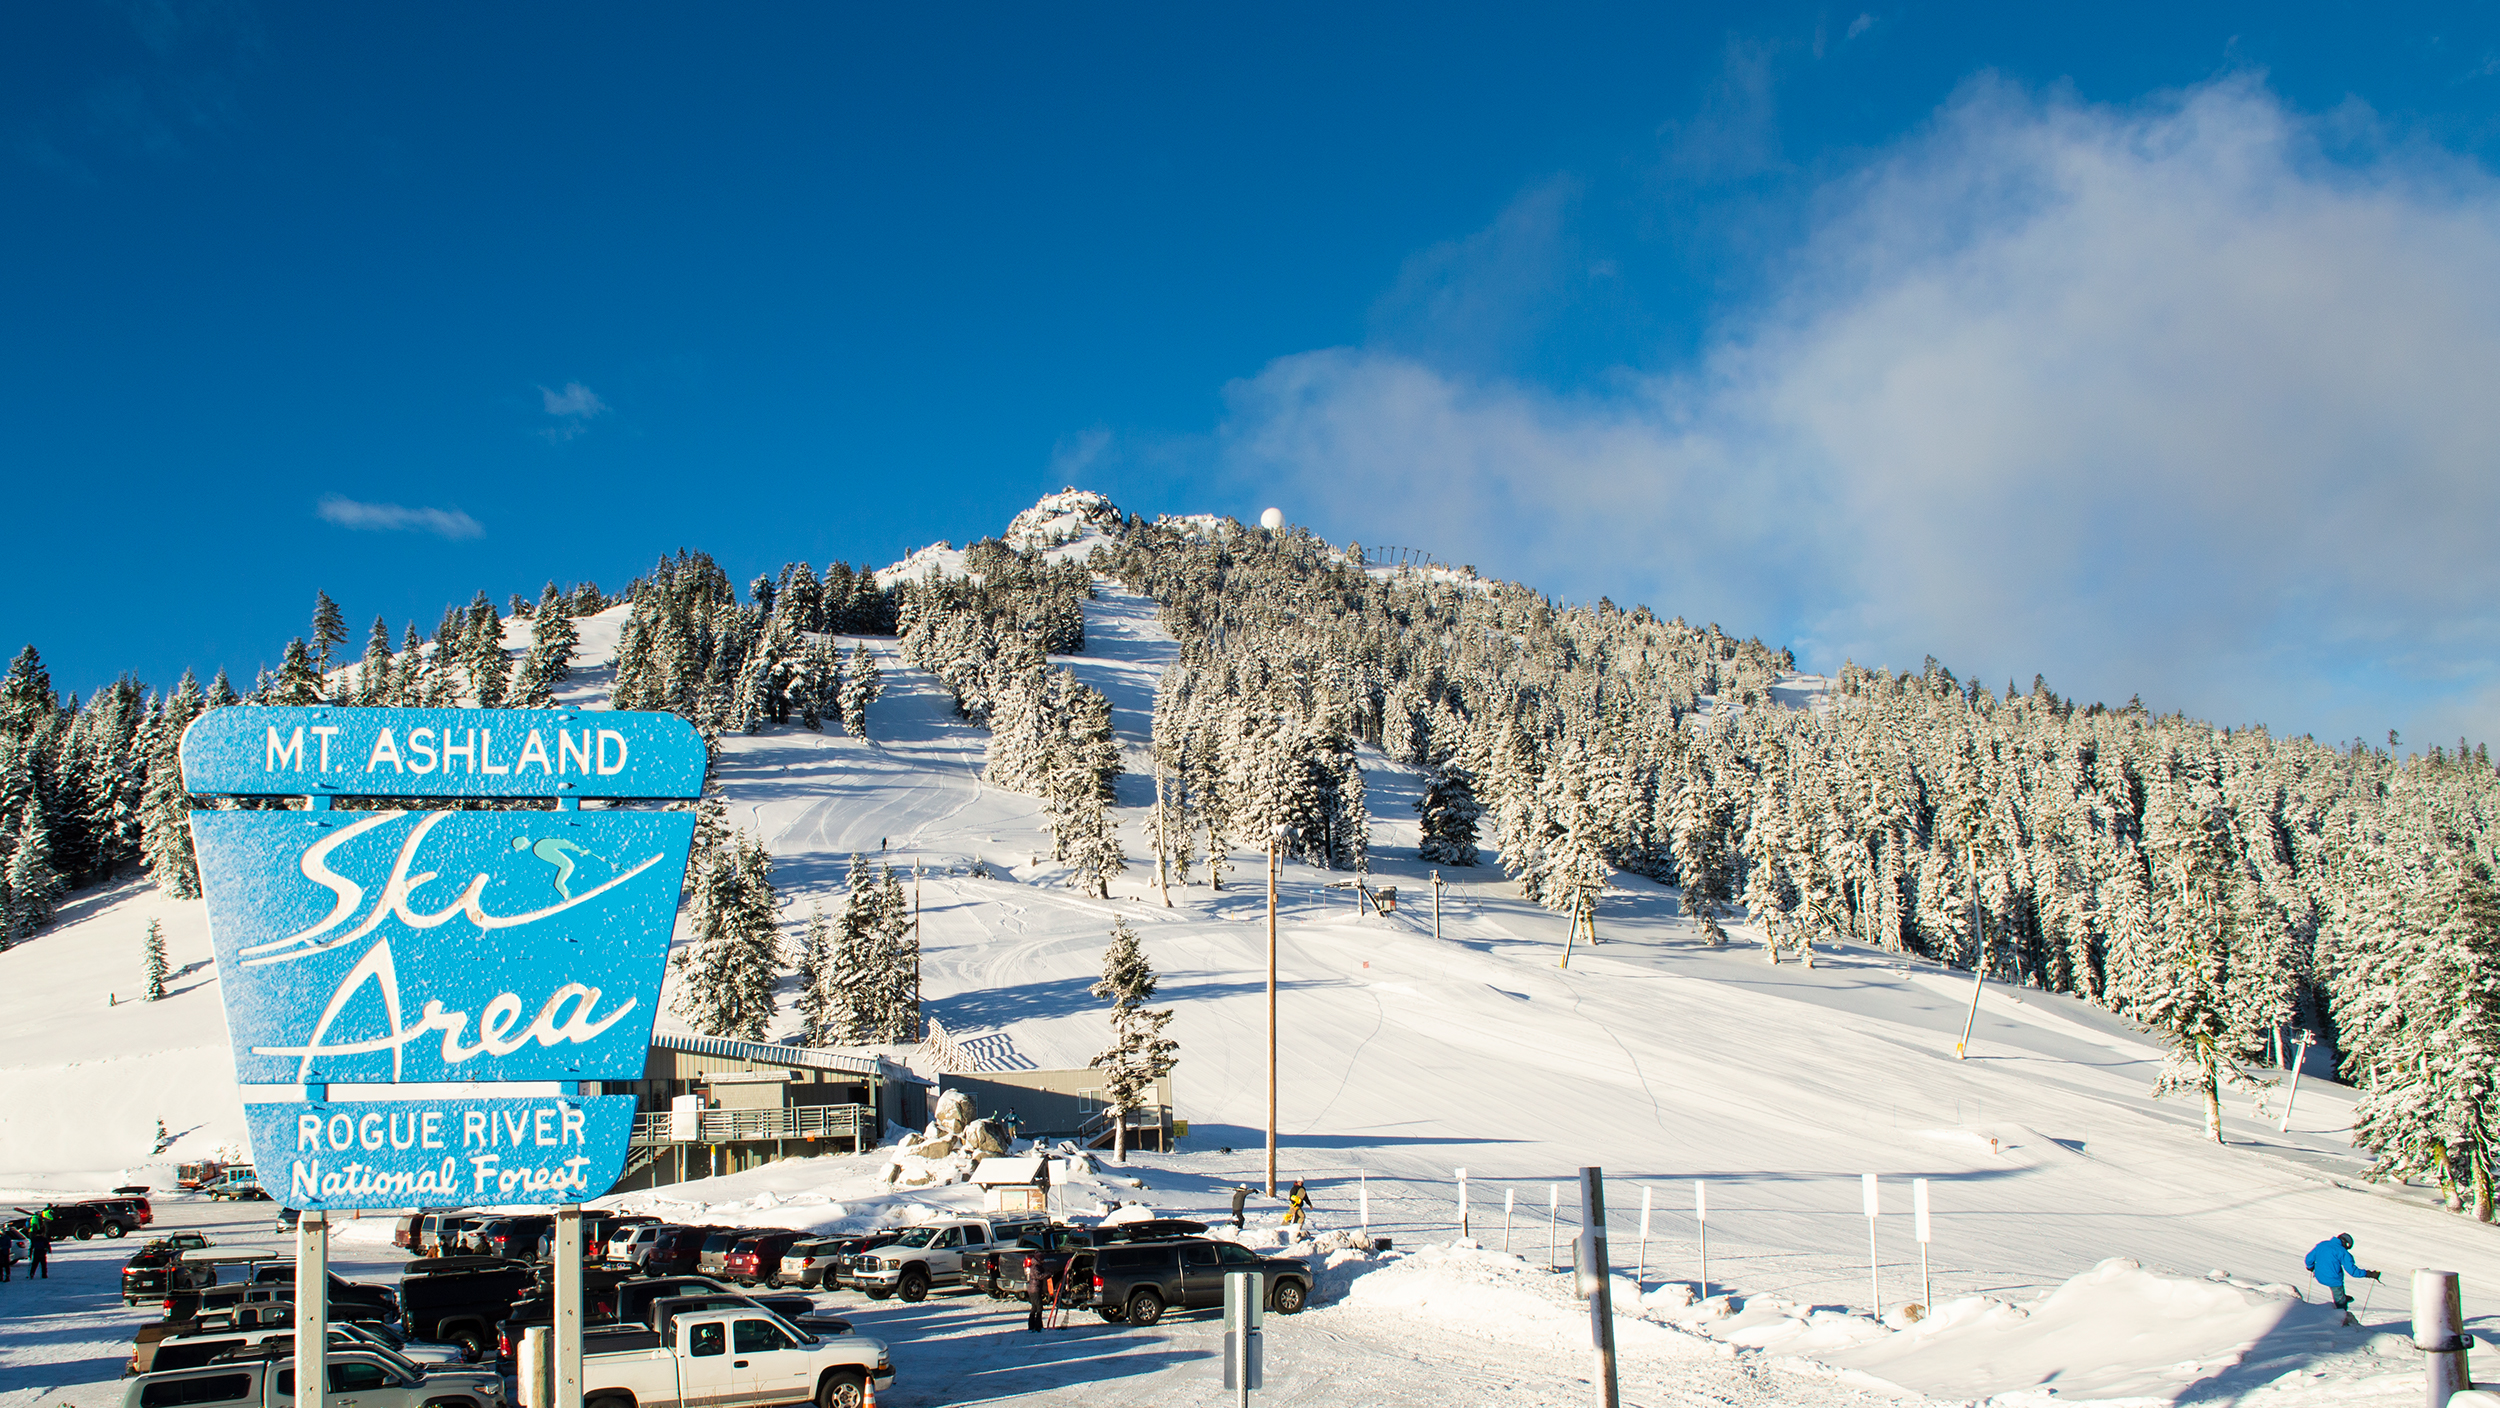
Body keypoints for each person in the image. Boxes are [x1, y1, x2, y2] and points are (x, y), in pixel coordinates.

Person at [2305, 1232, 2379, 1310]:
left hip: (2319, 1276)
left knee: (2332, 1280)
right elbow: (2353, 1272)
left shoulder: (2322, 1244)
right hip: (2333, 1280)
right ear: (2345, 1243)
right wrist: (2369, 1274)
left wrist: (2310, 1267)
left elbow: (2308, 1259)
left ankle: (2342, 1297)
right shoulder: (2342, 1252)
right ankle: (2341, 1311)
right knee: (2340, 1303)